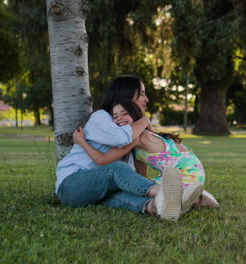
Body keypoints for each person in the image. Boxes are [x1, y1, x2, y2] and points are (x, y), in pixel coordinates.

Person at [55, 75, 203, 221]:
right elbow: (120, 138)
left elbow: (138, 168)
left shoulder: (130, 128)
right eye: (142, 94)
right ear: (126, 95)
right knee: (116, 169)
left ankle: (156, 207)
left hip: (97, 191)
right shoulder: (101, 117)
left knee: (120, 194)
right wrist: (145, 121)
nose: (146, 99)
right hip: (71, 186)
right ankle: (167, 194)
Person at [73, 100, 220, 209]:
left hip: (185, 172)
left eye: (125, 113)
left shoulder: (135, 138)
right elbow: (141, 173)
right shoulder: (141, 137)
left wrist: (81, 142)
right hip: (191, 169)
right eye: (115, 116)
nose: (119, 118)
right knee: (141, 188)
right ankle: (195, 195)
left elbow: (102, 160)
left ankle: (195, 199)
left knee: (153, 195)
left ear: (135, 115)